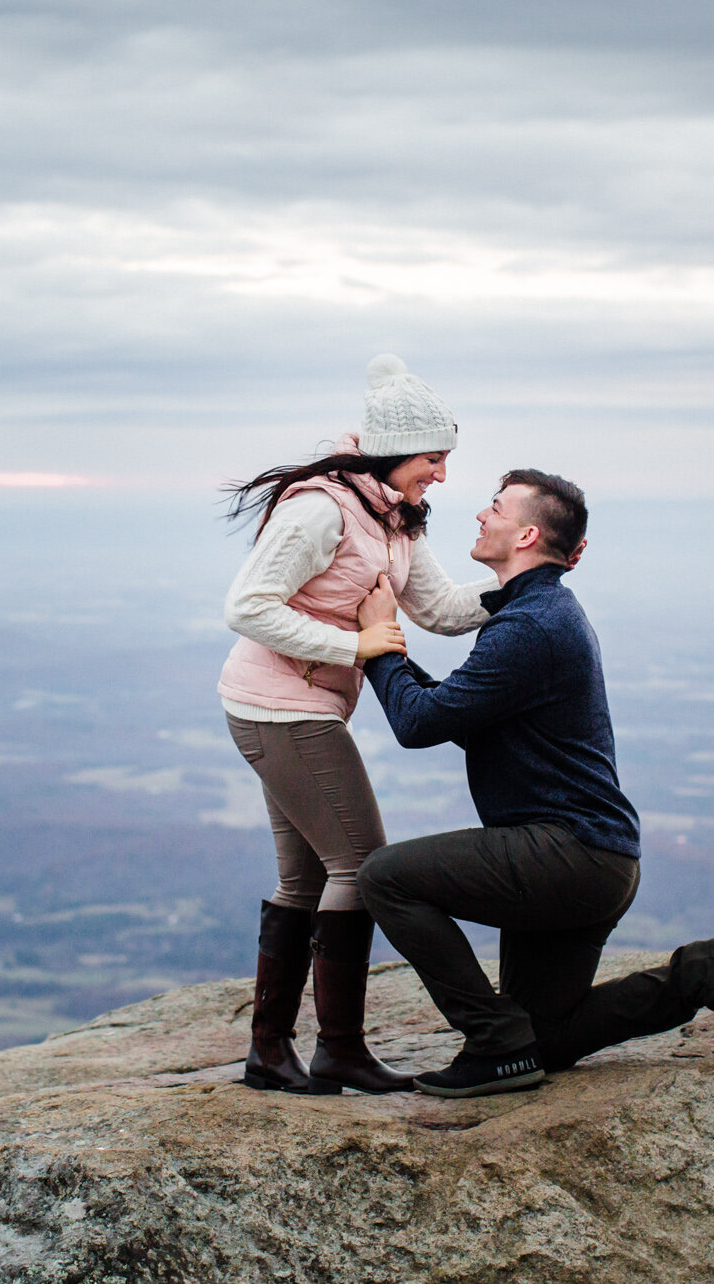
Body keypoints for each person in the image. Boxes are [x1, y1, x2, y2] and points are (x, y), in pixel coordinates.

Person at [355, 470, 714, 1097]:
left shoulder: (529, 628)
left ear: (525, 534)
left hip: (567, 856)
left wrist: (380, 646)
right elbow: (453, 709)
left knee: (384, 877)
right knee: (540, 1042)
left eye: (494, 508)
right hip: (592, 860)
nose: (479, 516)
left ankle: (490, 1039)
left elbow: (419, 723)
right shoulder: (538, 614)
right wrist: (389, 646)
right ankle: (707, 975)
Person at [218, 354, 491, 1095]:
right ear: (397, 450)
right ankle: (336, 1048)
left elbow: (435, 608)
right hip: (279, 706)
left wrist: (522, 586)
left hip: (299, 706)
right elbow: (246, 605)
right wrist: (355, 645)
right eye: (434, 459)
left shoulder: (394, 517)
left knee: (305, 878)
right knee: (363, 865)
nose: (440, 474)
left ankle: (270, 1053)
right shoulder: (324, 508)